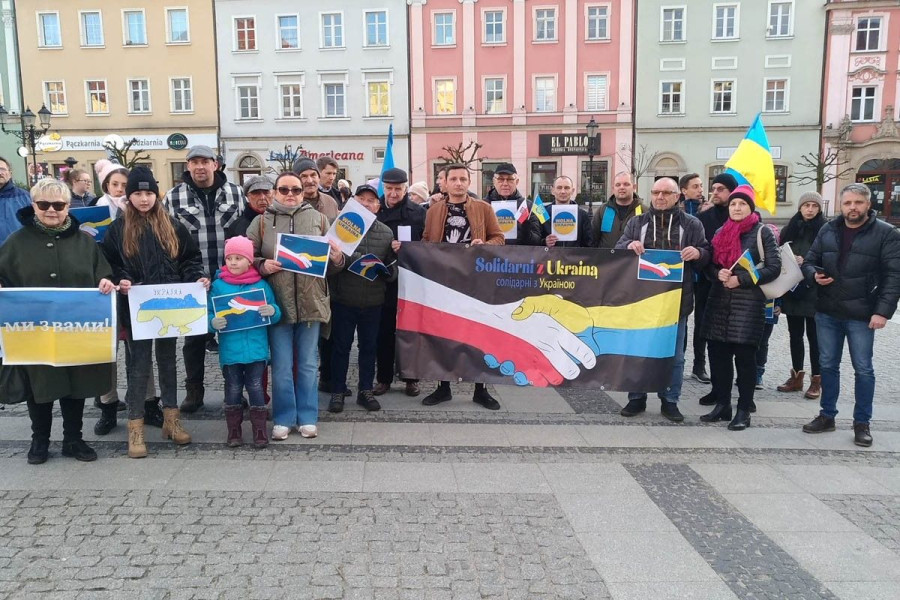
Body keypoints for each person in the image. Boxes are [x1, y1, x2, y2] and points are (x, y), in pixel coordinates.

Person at [0, 178, 115, 464]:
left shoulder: (84, 242)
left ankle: (73, 439)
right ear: (34, 206)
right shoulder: (16, 242)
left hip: (75, 330)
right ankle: (39, 439)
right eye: (44, 204)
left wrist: (105, 282)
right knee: (40, 385)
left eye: (59, 205)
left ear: (67, 207)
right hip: (34, 331)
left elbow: (103, 272)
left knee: (75, 383)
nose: (52, 210)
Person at [102, 167, 207, 458]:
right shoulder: (118, 228)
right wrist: (121, 278)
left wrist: (196, 277)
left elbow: (189, 258)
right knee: (138, 368)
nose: (144, 199)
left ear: (156, 195)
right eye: (137, 193)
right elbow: (108, 263)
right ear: (129, 196)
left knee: (168, 363)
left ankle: (171, 421)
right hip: (137, 309)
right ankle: (135, 428)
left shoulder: (172, 224)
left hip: (169, 307)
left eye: (148, 193)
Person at [800, 183, 900, 447]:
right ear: (841, 205)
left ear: (868, 204)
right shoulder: (828, 229)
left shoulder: (887, 233)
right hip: (828, 311)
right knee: (828, 365)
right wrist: (813, 275)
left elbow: (894, 276)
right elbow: (809, 260)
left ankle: (862, 422)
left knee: (863, 369)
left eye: (858, 202)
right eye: (847, 203)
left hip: (862, 313)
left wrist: (882, 312)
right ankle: (827, 415)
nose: (852, 207)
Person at [247, 172, 345, 441]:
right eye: (284, 189)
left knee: (308, 365)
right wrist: (261, 265)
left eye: (296, 189)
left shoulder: (320, 219)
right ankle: (283, 417)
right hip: (277, 303)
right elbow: (246, 257)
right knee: (280, 364)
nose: (290, 194)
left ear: (304, 192)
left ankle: (307, 416)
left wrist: (337, 258)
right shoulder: (261, 222)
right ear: (275, 192)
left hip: (310, 302)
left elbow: (334, 265)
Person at [616, 176, 710, 423]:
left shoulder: (692, 224)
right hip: (641, 301)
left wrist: (698, 252)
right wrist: (629, 245)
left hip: (676, 301)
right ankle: (636, 397)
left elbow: (707, 253)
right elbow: (619, 247)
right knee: (639, 350)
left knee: (675, 355)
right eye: (656, 192)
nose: (660, 197)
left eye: (666, 193)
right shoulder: (637, 223)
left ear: (677, 196)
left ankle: (670, 400)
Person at [164, 145, 244, 412]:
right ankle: (194, 391)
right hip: (192, 282)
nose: (200, 166)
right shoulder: (173, 198)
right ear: (187, 166)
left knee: (231, 336)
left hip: (229, 279)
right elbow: (166, 240)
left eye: (205, 161)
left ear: (216, 164)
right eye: (194, 162)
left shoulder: (235, 193)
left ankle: (234, 391)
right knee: (194, 340)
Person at [420, 164, 505, 409]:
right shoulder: (433, 211)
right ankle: (442, 387)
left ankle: (481, 389)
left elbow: (500, 238)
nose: (458, 183)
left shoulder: (483, 208)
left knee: (478, 334)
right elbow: (426, 241)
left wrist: (485, 244)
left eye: (463, 179)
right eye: (453, 179)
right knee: (444, 336)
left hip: (475, 281)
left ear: (469, 182)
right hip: (443, 283)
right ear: (444, 182)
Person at [699, 185, 781, 431]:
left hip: (748, 304)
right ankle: (723, 405)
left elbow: (773, 268)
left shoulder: (762, 232)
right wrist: (717, 272)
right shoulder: (722, 231)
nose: (736, 208)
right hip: (719, 302)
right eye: (733, 204)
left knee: (745, 359)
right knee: (719, 357)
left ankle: (744, 410)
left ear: (751, 208)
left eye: (742, 204)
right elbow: (709, 265)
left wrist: (742, 279)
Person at [90, 161, 164, 435]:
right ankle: (108, 406)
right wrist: (115, 277)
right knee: (107, 353)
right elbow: (106, 259)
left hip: (140, 298)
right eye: (116, 185)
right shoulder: (103, 218)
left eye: (125, 185)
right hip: (110, 297)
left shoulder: (159, 220)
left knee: (141, 353)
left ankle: (149, 403)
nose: (121, 191)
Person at [328, 184, 397, 412]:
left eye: (371, 200)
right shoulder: (338, 227)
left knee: (369, 348)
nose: (366, 204)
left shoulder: (386, 233)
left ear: (378, 206)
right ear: (353, 201)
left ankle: (365, 390)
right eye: (362, 199)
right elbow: (330, 265)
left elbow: (393, 269)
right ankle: (338, 391)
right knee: (340, 348)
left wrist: (390, 269)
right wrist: (344, 260)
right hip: (343, 299)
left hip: (373, 301)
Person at [208, 236, 281, 448]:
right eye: (229, 258)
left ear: (250, 261)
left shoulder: (261, 285)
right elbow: (208, 312)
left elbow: (275, 309)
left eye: (238, 258)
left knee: (257, 387)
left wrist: (273, 311)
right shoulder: (218, 286)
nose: (232, 262)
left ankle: (260, 430)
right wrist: (212, 322)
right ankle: (234, 431)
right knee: (232, 388)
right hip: (230, 350)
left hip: (257, 349)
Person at [374, 167, 426, 397]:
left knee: (410, 330)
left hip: (411, 279)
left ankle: (411, 378)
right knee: (383, 331)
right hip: (382, 280)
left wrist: (410, 248)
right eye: (389, 189)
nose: (393, 193)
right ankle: (383, 378)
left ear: (406, 188)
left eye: (398, 189)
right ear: (383, 188)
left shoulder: (417, 212)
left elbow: (428, 244)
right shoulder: (375, 210)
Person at [776, 191, 827, 399]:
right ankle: (797, 376)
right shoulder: (790, 228)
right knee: (795, 336)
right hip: (793, 289)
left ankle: (817, 379)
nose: (810, 209)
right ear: (800, 207)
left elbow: (829, 258)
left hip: (815, 290)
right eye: (806, 205)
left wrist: (804, 261)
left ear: (819, 209)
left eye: (814, 206)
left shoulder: (826, 230)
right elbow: (779, 252)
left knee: (815, 338)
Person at [692, 173, 738, 384]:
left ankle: (728, 374)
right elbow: (702, 248)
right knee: (702, 323)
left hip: (736, 282)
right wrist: (711, 272)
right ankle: (699, 365)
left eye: (721, 189)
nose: (715, 193)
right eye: (714, 188)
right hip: (707, 279)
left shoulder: (739, 215)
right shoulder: (704, 218)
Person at [485, 163, 541, 246]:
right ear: (494, 181)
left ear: (517, 181)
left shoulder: (527, 206)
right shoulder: (484, 205)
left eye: (510, 179)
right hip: (490, 256)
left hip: (517, 257)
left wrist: (526, 231)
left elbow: (537, 241)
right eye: (500, 179)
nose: (505, 183)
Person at [592, 172, 644, 249]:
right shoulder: (603, 210)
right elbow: (593, 238)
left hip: (632, 259)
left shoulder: (644, 211)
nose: (621, 187)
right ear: (613, 188)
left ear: (634, 187)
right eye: (618, 185)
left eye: (626, 184)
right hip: (606, 259)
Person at [540, 175, 593, 248]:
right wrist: (544, 242)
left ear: (572, 191)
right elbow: (534, 241)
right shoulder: (543, 213)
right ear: (552, 191)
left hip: (574, 258)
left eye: (567, 188)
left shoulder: (582, 215)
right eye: (559, 188)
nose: (563, 191)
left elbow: (589, 244)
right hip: (550, 258)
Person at [0, 156, 32, 246]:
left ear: (10, 174)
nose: (0, 173)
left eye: (2, 169)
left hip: (18, 252)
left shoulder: (25, 197)